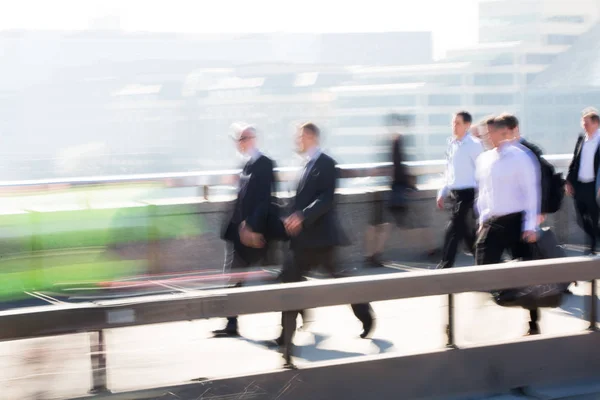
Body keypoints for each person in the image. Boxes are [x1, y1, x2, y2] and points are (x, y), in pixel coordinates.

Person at [240, 122, 375, 366]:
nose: (297, 139)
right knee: (288, 284)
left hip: (322, 239)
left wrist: (303, 215)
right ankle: (286, 335)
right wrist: (288, 215)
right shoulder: (304, 166)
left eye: (300, 136)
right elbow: (298, 201)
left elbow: (326, 199)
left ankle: (365, 315)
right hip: (302, 241)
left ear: (311, 136)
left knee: (340, 282)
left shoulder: (326, 164)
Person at [475, 117, 540, 335]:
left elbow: (531, 192)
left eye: (489, 132)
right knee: (483, 262)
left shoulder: (521, 157)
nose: (486, 136)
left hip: (517, 221)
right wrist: (482, 219)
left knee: (527, 272)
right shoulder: (484, 159)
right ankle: (506, 294)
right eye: (485, 133)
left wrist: (530, 226)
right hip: (493, 221)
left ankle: (533, 321)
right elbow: (483, 192)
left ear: (502, 133)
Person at [213, 124, 275, 337]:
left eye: (240, 139)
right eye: (237, 140)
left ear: (251, 139)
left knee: (277, 276)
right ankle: (231, 323)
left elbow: (264, 201)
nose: (238, 144)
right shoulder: (247, 165)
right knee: (234, 276)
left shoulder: (264, 165)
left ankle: (297, 312)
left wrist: (251, 227)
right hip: (239, 232)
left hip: (253, 233)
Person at [436, 111, 483, 269]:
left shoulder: (474, 145)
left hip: (469, 193)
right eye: (453, 123)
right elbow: (448, 171)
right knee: (466, 232)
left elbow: (482, 169)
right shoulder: (451, 144)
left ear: (467, 125)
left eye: (458, 123)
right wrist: (442, 192)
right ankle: (484, 261)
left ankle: (445, 265)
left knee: (453, 228)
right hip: (454, 194)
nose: (454, 126)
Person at [566, 108, 600, 255]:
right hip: (580, 185)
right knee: (580, 218)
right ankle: (594, 243)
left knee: (595, 217)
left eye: (587, 123)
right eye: (583, 123)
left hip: (594, 186)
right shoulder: (582, 139)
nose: (584, 125)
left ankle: (594, 248)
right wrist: (568, 181)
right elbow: (575, 160)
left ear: (596, 123)